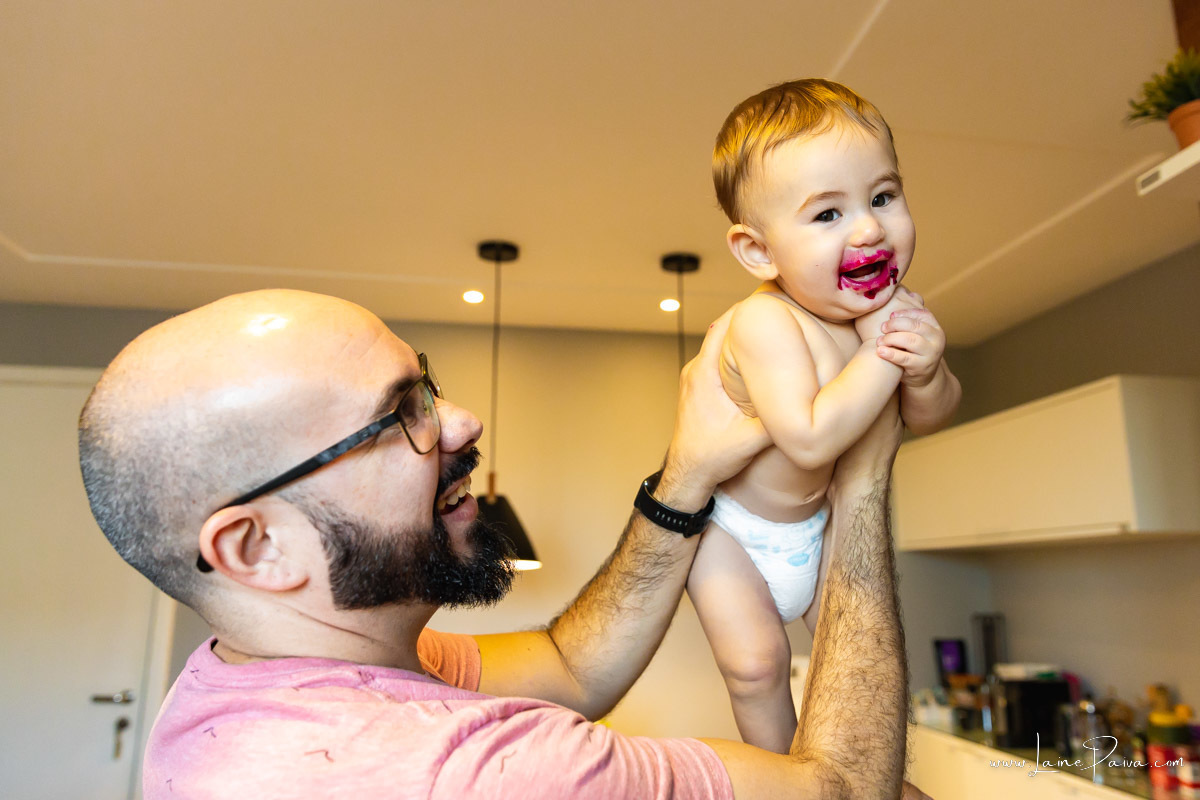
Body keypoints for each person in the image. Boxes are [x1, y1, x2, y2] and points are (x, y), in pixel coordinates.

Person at [79, 288, 918, 799]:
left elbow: (569, 666)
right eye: (400, 414)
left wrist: (683, 482)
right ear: (257, 547)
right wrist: (863, 478)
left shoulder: (264, 679)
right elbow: (841, 791)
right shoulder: (458, 775)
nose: (462, 423)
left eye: (428, 385)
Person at [687, 78, 963, 753]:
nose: (869, 227)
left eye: (883, 197)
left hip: (819, 528)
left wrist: (926, 368)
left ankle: (852, 777)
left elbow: (931, 414)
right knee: (757, 669)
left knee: (860, 667)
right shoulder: (763, 322)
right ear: (758, 251)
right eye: (827, 214)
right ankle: (786, 784)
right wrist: (882, 356)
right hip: (735, 534)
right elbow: (809, 439)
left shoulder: (891, 315)